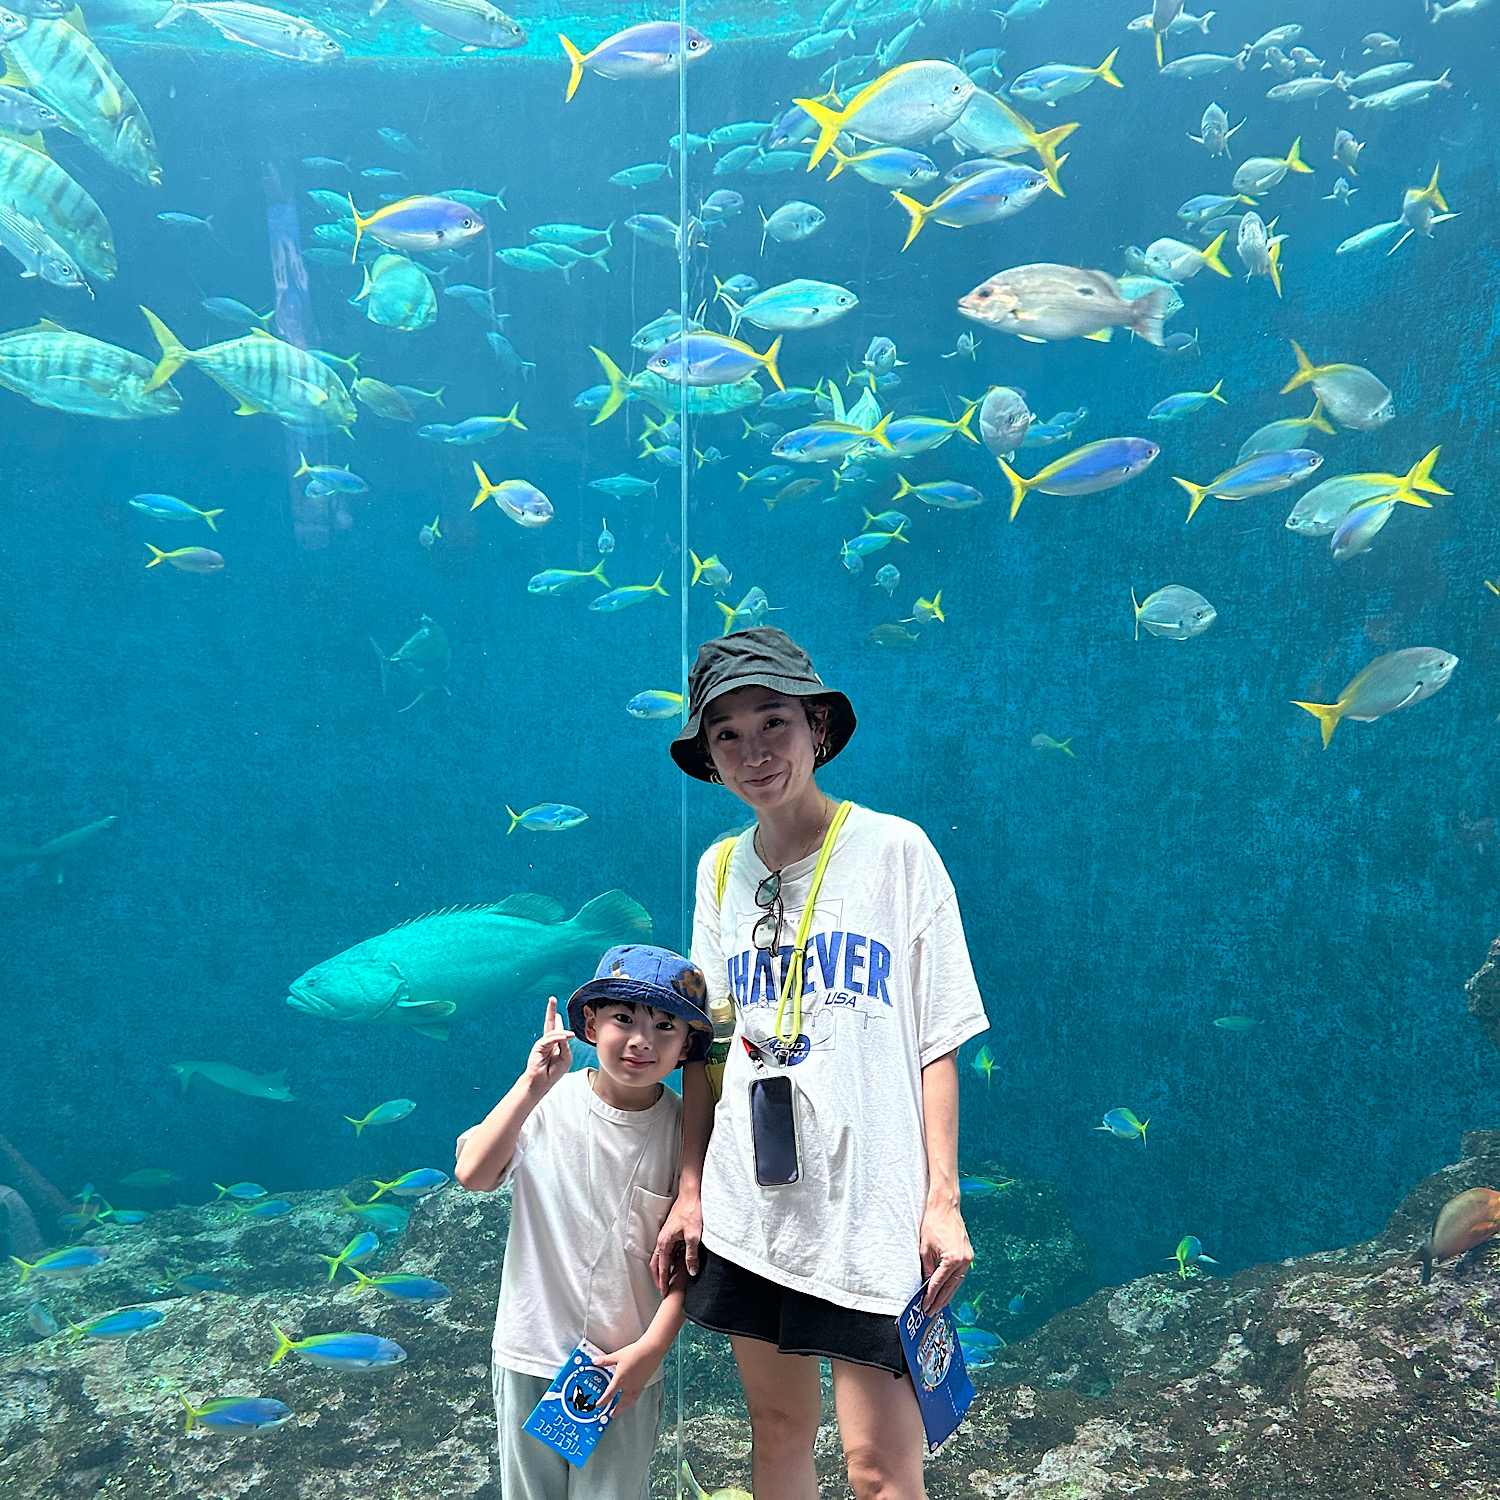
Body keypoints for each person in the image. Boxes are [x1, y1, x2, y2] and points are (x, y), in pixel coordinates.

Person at [654, 626, 991, 1500]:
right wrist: (691, 1188)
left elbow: (938, 1037)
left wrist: (942, 1201)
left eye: (773, 722)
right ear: (707, 754)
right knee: (776, 1439)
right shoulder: (718, 868)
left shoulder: (896, 850)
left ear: (817, 729)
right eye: (726, 734)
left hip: (872, 1206)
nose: (753, 751)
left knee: (881, 1470)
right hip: (751, 1205)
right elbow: (709, 1046)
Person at [455, 945, 714, 1500]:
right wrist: (532, 1083)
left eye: (664, 1025)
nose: (642, 1039)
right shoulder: (547, 1104)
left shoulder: (685, 1135)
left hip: (624, 1369)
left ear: (687, 1046)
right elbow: (474, 1174)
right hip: (529, 1353)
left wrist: (651, 1352)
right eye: (624, 1018)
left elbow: (693, 1262)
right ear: (591, 1025)